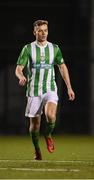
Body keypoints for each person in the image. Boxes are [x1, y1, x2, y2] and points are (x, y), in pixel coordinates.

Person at [15, 19, 75, 160]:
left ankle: (48, 135)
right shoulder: (28, 48)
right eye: (40, 30)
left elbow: (62, 67)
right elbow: (18, 68)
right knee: (35, 125)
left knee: (51, 116)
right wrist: (21, 76)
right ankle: (37, 150)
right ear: (35, 32)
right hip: (34, 90)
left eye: (46, 30)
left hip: (50, 88)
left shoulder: (54, 48)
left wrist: (69, 87)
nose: (43, 33)